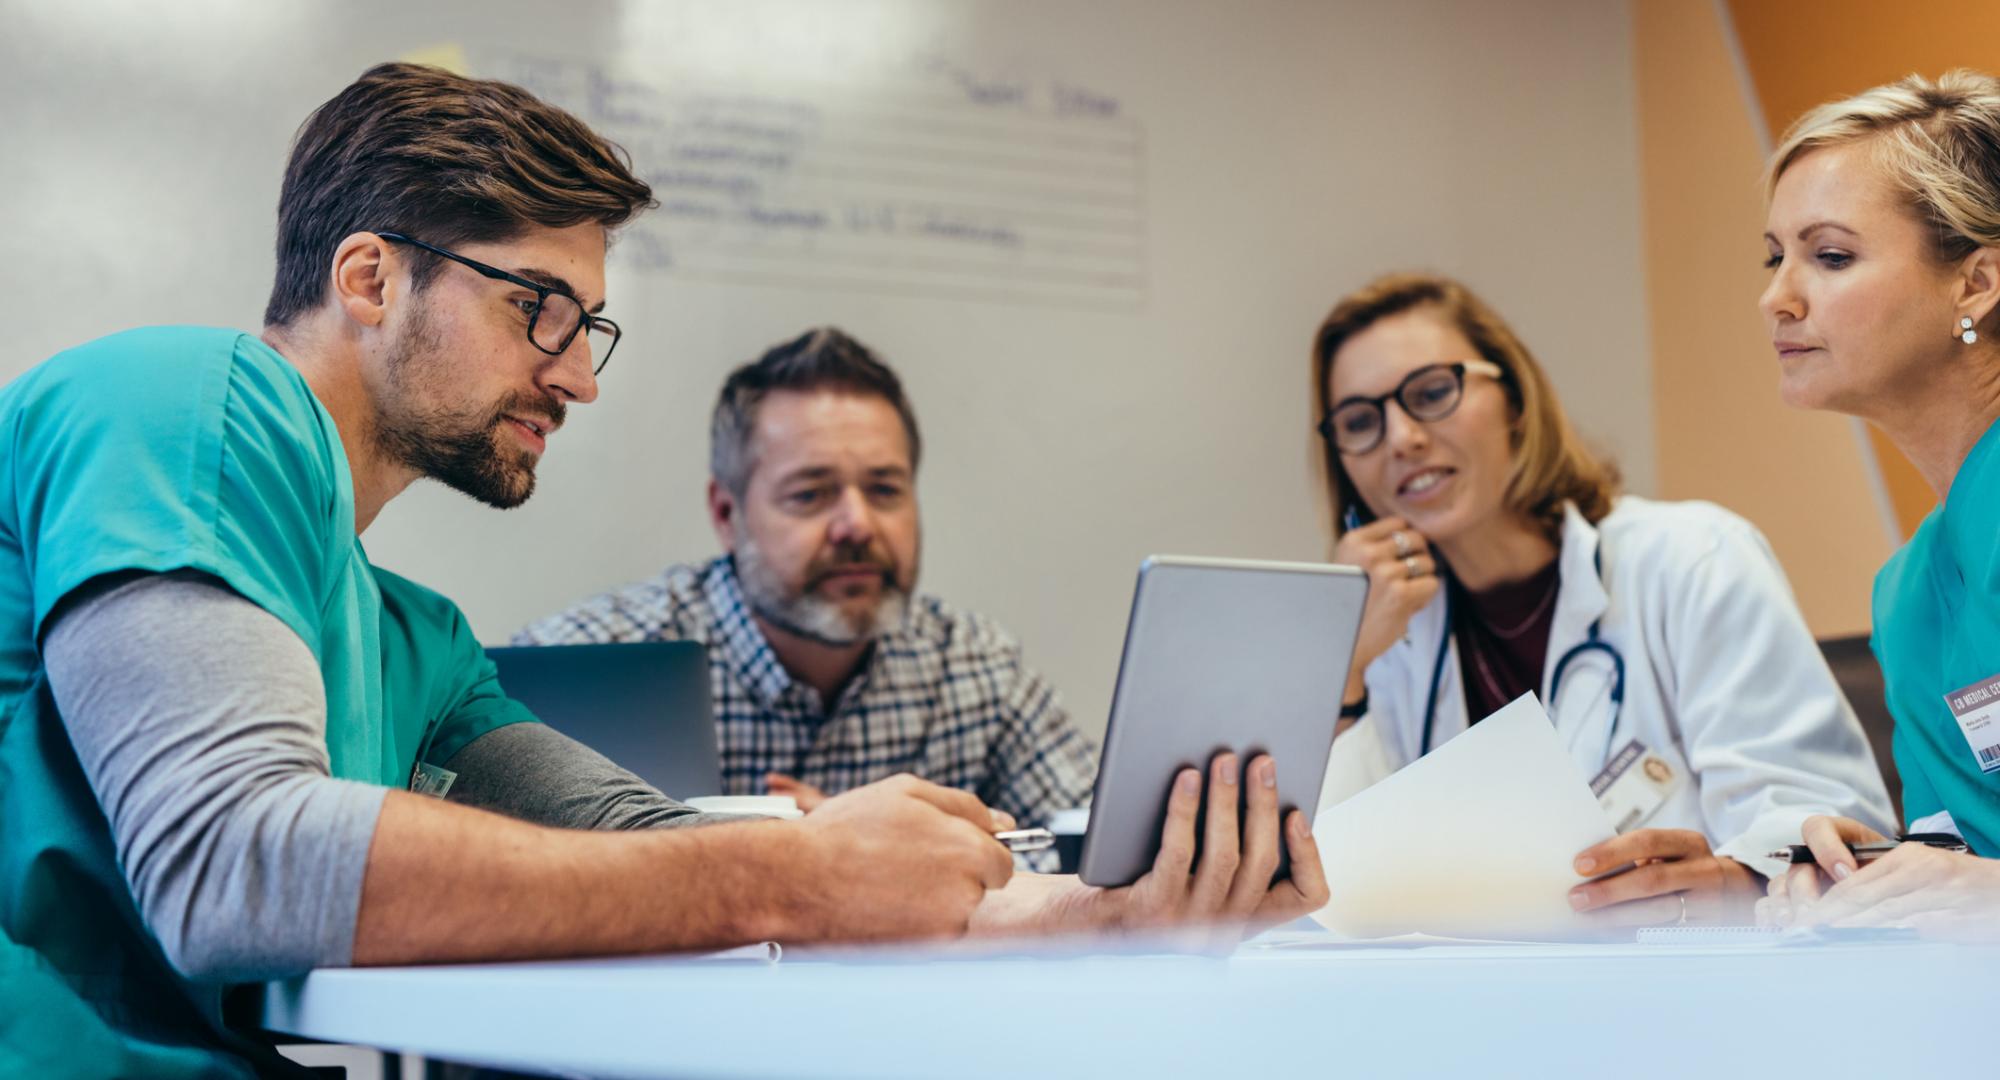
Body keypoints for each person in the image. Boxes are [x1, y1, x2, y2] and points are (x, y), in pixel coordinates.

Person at [0, 63, 1326, 1078]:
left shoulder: (420, 646)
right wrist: (803, 876)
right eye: (544, 308)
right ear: (369, 277)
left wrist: (1114, 915)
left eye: (592, 327)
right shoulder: (184, 398)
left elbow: (655, 857)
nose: (577, 374)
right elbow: (230, 861)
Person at [1310, 272, 1894, 929]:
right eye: (1360, 421)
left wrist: (1730, 883)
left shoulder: (1690, 559)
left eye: (1432, 392)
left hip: (1704, 996)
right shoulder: (1386, 643)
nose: (1400, 438)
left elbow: (1827, 831)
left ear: (1514, 401)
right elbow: (1334, 896)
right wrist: (1346, 664)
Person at [515, 327, 1098, 859]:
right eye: (811, 494)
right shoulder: (580, 665)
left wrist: (894, 854)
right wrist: (817, 857)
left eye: (885, 489)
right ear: (726, 513)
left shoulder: (975, 666)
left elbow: (1102, 855)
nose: (858, 525)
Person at [1754, 70, 2000, 942]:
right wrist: (1879, 871)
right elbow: (1966, 856)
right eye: (1774, 256)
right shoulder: (1906, 594)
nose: (1777, 296)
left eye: (1829, 256)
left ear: (1975, 284)